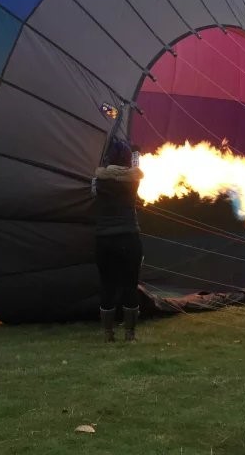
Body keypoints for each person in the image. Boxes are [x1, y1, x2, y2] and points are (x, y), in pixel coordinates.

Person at [92, 138, 144, 342]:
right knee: (130, 285)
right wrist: (136, 152)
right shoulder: (133, 181)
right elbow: (136, 167)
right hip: (129, 238)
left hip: (104, 241)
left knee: (107, 286)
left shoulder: (98, 182)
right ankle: (130, 334)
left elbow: (93, 190)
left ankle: (108, 334)